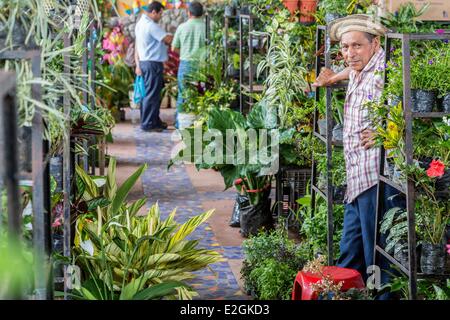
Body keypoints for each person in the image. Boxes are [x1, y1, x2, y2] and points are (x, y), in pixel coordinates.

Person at [312, 15, 405, 293]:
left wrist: (387, 132)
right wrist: (332, 77)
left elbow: (411, 115)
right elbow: (351, 70)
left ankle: (382, 297)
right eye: (344, 47)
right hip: (357, 181)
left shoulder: (385, 74)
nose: (349, 53)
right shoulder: (359, 69)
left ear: (375, 44)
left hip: (376, 181)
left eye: (357, 46)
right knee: (349, 254)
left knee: (377, 260)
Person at [135, 1, 173, 132]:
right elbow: (167, 40)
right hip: (152, 64)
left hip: (146, 62)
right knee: (151, 95)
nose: (161, 17)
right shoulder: (151, 25)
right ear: (153, 12)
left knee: (152, 94)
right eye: (160, 14)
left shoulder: (140, 23)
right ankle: (148, 123)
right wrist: (177, 35)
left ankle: (154, 121)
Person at [171, 1, 206, 128]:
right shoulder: (208, 27)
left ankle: (181, 126)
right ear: (202, 13)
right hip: (203, 65)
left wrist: (185, 52)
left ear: (188, 13)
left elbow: (174, 48)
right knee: (201, 94)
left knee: (183, 93)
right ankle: (200, 125)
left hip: (185, 64)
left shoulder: (182, 27)